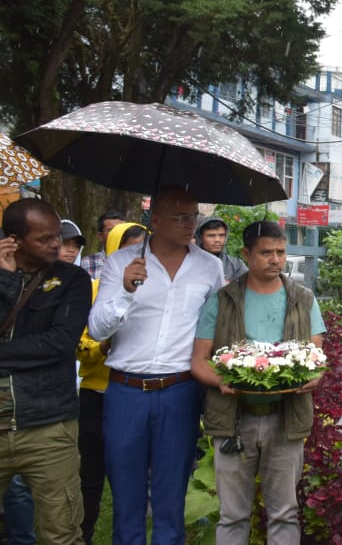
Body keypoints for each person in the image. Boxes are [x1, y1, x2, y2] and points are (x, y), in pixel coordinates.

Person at [89, 188, 225, 545]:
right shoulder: (121, 262)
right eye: (181, 218)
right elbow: (97, 328)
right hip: (125, 392)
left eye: (193, 217)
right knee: (125, 495)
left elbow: (216, 327)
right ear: (157, 220)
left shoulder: (209, 267)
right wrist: (125, 290)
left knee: (171, 495)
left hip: (179, 392)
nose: (190, 225)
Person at [191, 220, 326, 545]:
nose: (275, 259)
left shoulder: (303, 300)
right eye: (266, 252)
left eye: (280, 252)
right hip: (235, 422)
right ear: (246, 254)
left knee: (283, 514)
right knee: (233, 516)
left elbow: (315, 358)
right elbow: (198, 361)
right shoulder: (223, 301)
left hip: (285, 420)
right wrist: (224, 380)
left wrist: (311, 377)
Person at [0, 198, 91, 545]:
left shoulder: (72, 280)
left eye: (58, 236)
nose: (57, 245)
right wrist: (5, 282)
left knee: (62, 531)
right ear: (14, 239)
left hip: (49, 426)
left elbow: (58, 344)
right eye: (45, 239)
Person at [75, 222, 145, 545]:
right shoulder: (93, 289)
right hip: (96, 394)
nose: (139, 256)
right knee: (91, 476)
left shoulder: (153, 290)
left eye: (143, 248)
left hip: (133, 396)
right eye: (130, 249)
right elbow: (79, 348)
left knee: (129, 477)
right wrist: (103, 346)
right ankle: (83, 533)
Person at [194, 217, 248, 284]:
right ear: (200, 238)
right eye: (211, 235)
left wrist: (231, 287)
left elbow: (251, 287)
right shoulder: (190, 263)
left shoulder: (236, 264)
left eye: (221, 235)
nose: (217, 240)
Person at [80, 211, 125, 280]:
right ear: (100, 236)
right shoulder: (87, 263)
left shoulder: (137, 261)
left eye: (121, 229)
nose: (117, 233)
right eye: (111, 230)